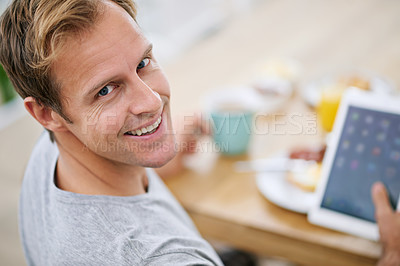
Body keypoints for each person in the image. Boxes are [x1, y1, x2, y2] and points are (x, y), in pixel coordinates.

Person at [0, 0, 398, 265]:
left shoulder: (54, 147)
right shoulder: (167, 257)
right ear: (46, 114)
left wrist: (157, 164)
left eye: (143, 62)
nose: (152, 101)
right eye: (106, 90)